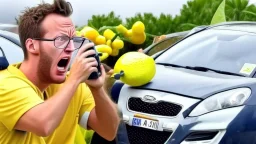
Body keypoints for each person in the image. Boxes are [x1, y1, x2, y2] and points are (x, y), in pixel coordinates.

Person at [0, 0, 120, 144]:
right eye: (61, 39)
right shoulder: (5, 84)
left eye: (73, 40)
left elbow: (109, 131)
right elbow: (43, 124)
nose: (70, 48)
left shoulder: (73, 85)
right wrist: (74, 79)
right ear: (32, 46)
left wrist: (97, 88)